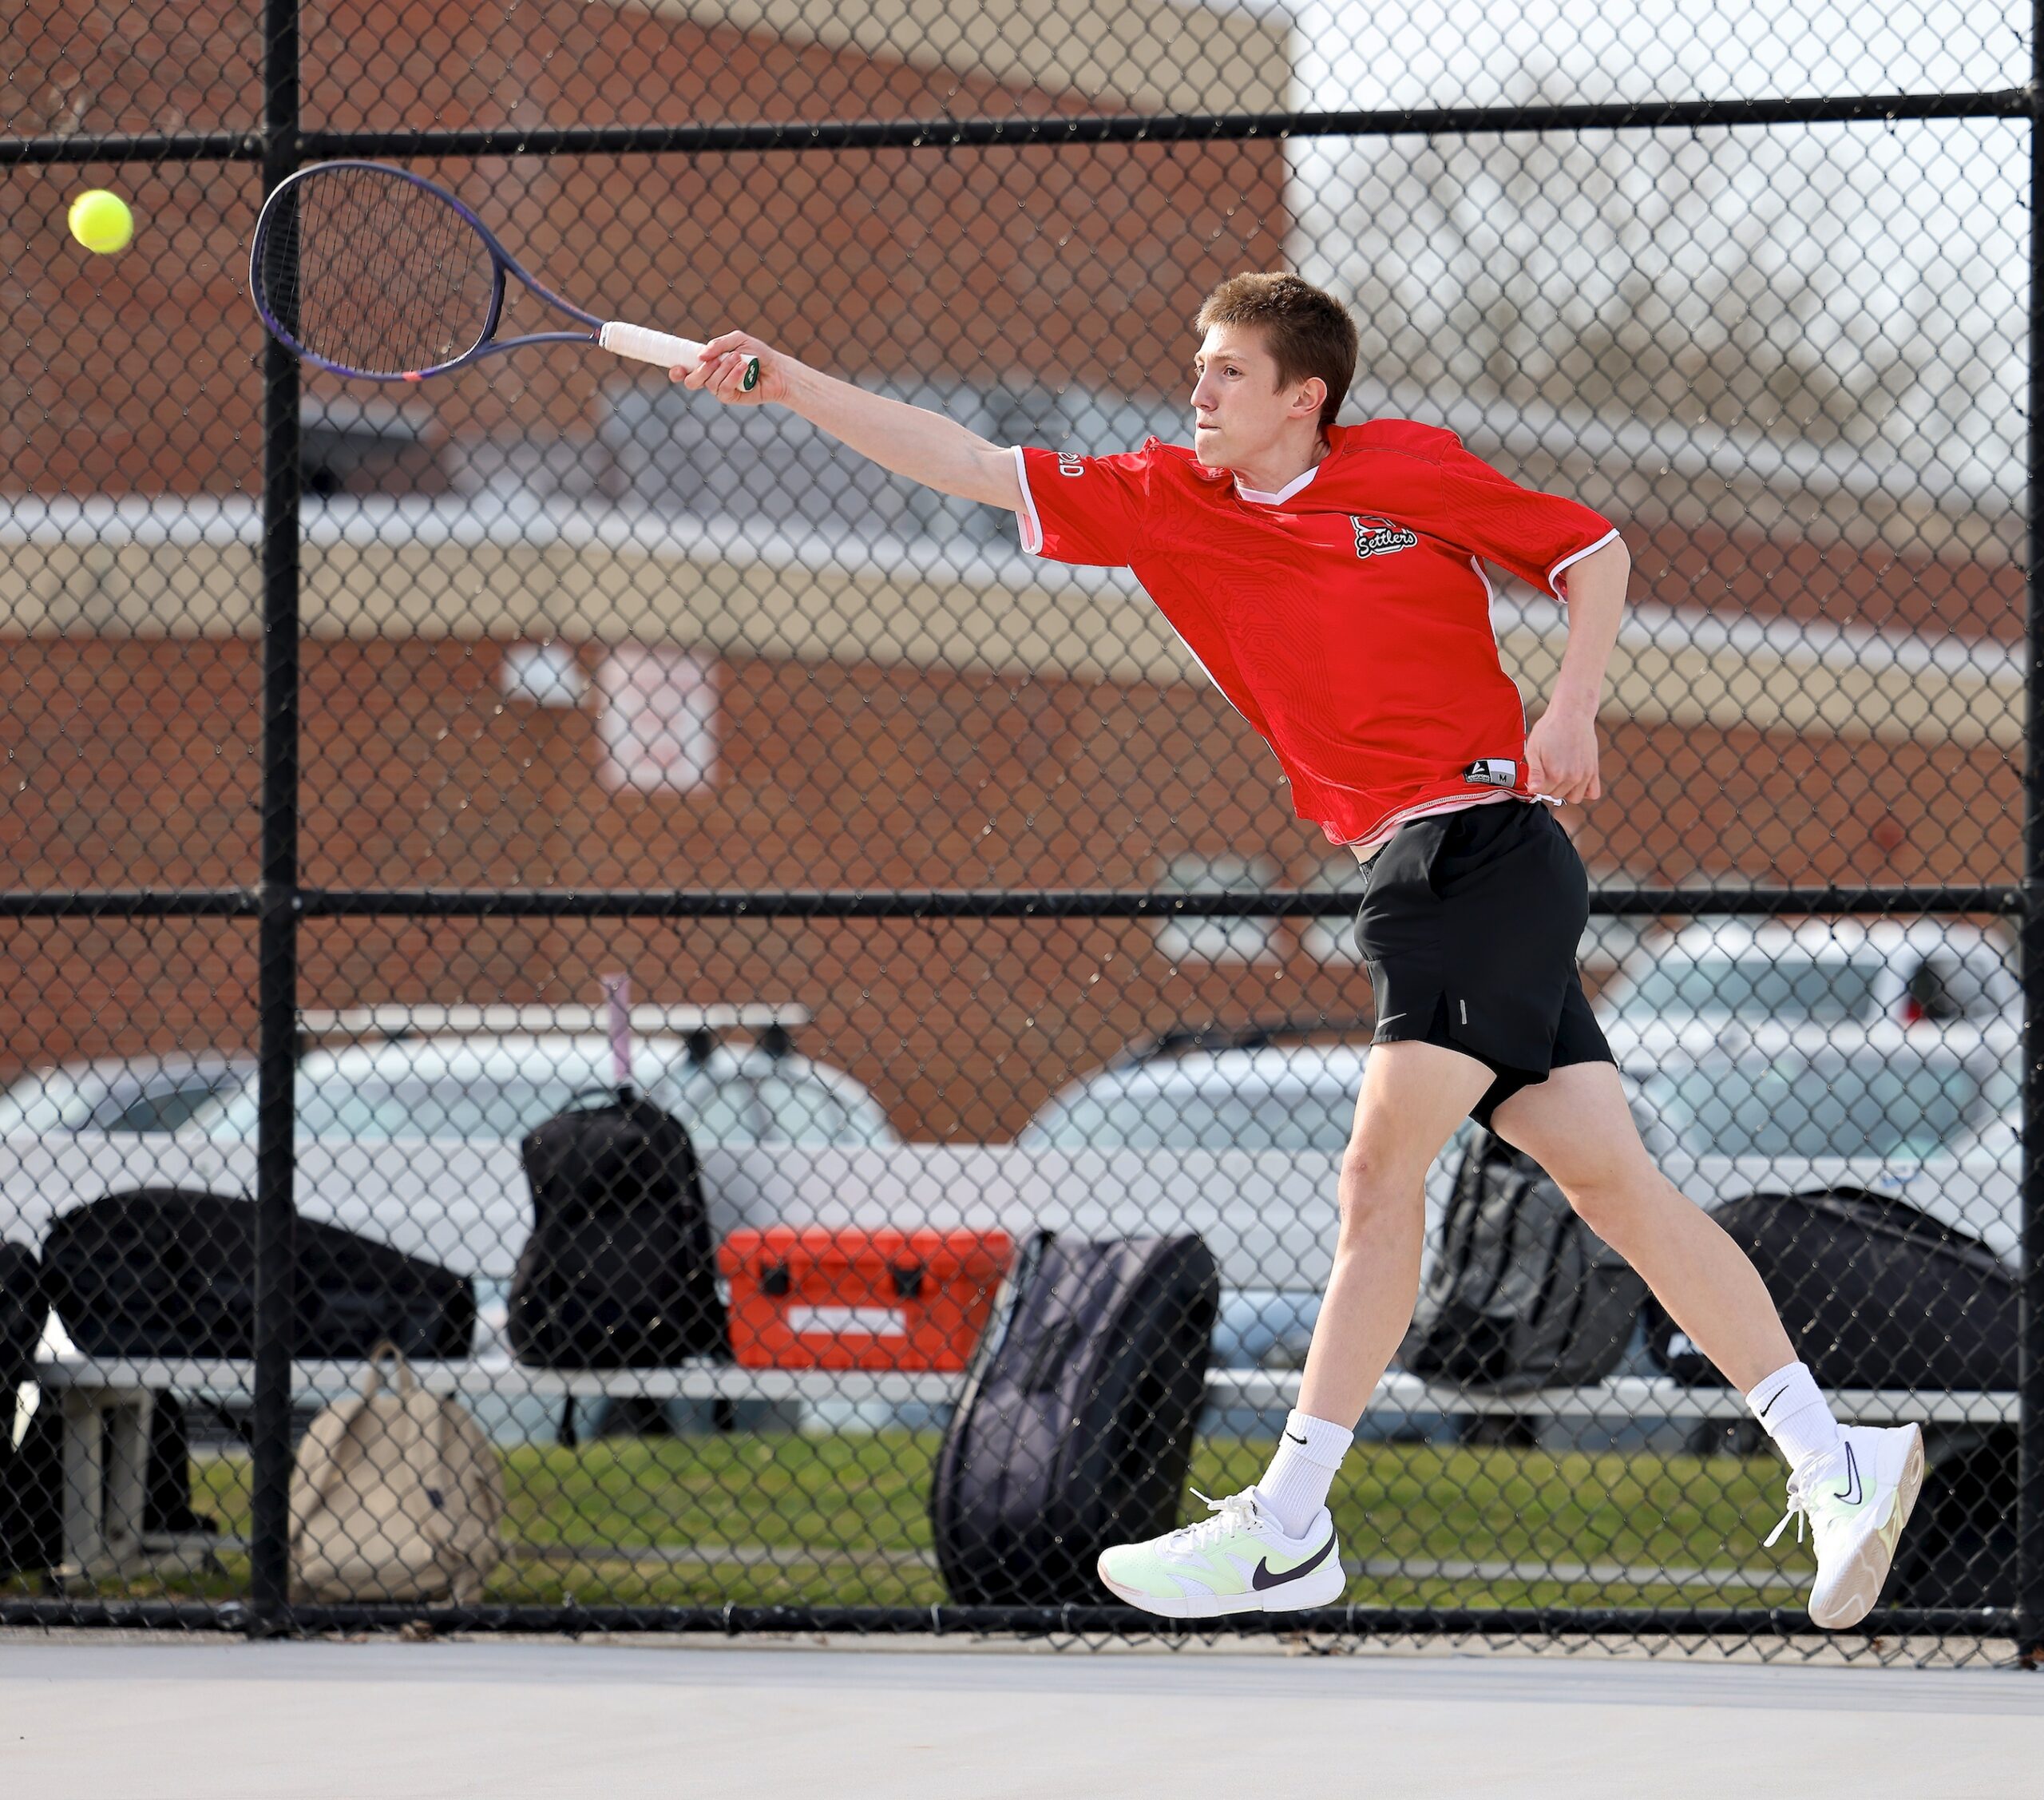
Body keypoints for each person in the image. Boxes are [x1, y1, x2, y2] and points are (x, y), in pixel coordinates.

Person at [677, 272, 1923, 1630]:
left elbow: (1595, 553)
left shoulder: (1406, 470)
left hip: (1480, 848)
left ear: (1301, 396)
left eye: (1224, 373)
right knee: (1617, 1187)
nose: (1196, 394)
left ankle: (1286, 1523)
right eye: (1197, 371)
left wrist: (1575, 706)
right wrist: (791, 383)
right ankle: (1834, 1453)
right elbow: (970, 462)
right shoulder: (1167, 499)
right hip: (1418, 864)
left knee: (1375, 1173)